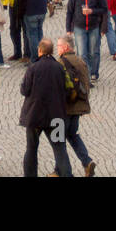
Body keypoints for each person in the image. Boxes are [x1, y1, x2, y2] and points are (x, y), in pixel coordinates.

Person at [19, 38, 72, 177]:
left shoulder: (33, 68)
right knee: (60, 149)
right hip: (57, 116)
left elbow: (25, 90)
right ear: (52, 51)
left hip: (35, 116)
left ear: (40, 51)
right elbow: (67, 89)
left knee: (31, 149)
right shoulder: (60, 68)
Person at [56, 32, 96, 176]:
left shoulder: (61, 63)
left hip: (65, 108)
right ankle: (87, 162)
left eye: (59, 46)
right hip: (79, 106)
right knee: (73, 135)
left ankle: (61, 171)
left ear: (66, 48)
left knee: (59, 140)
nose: (57, 49)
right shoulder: (81, 62)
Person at [65, 0, 108, 82]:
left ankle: (94, 73)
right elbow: (69, 11)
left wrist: (92, 11)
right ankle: (86, 76)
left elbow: (104, 10)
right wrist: (68, 28)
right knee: (82, 53)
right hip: (79, 27)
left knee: (94, 52)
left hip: (94, 27)